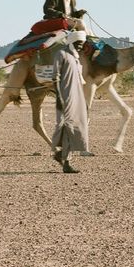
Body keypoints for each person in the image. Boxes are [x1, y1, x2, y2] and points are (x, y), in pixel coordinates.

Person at [51, 29, 90, 173]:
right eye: (79, 43)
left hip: (77, 97)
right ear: (72, 41)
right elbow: (55, 78)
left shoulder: (75, 58)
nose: (80, 46)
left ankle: (62, 155)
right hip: (65, 96)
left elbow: (79, 82)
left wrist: (84, 101)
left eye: (82, 44)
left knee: (75, 127)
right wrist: (59, 97)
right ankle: (65, 160)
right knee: (66, 127)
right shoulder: (61, 54)